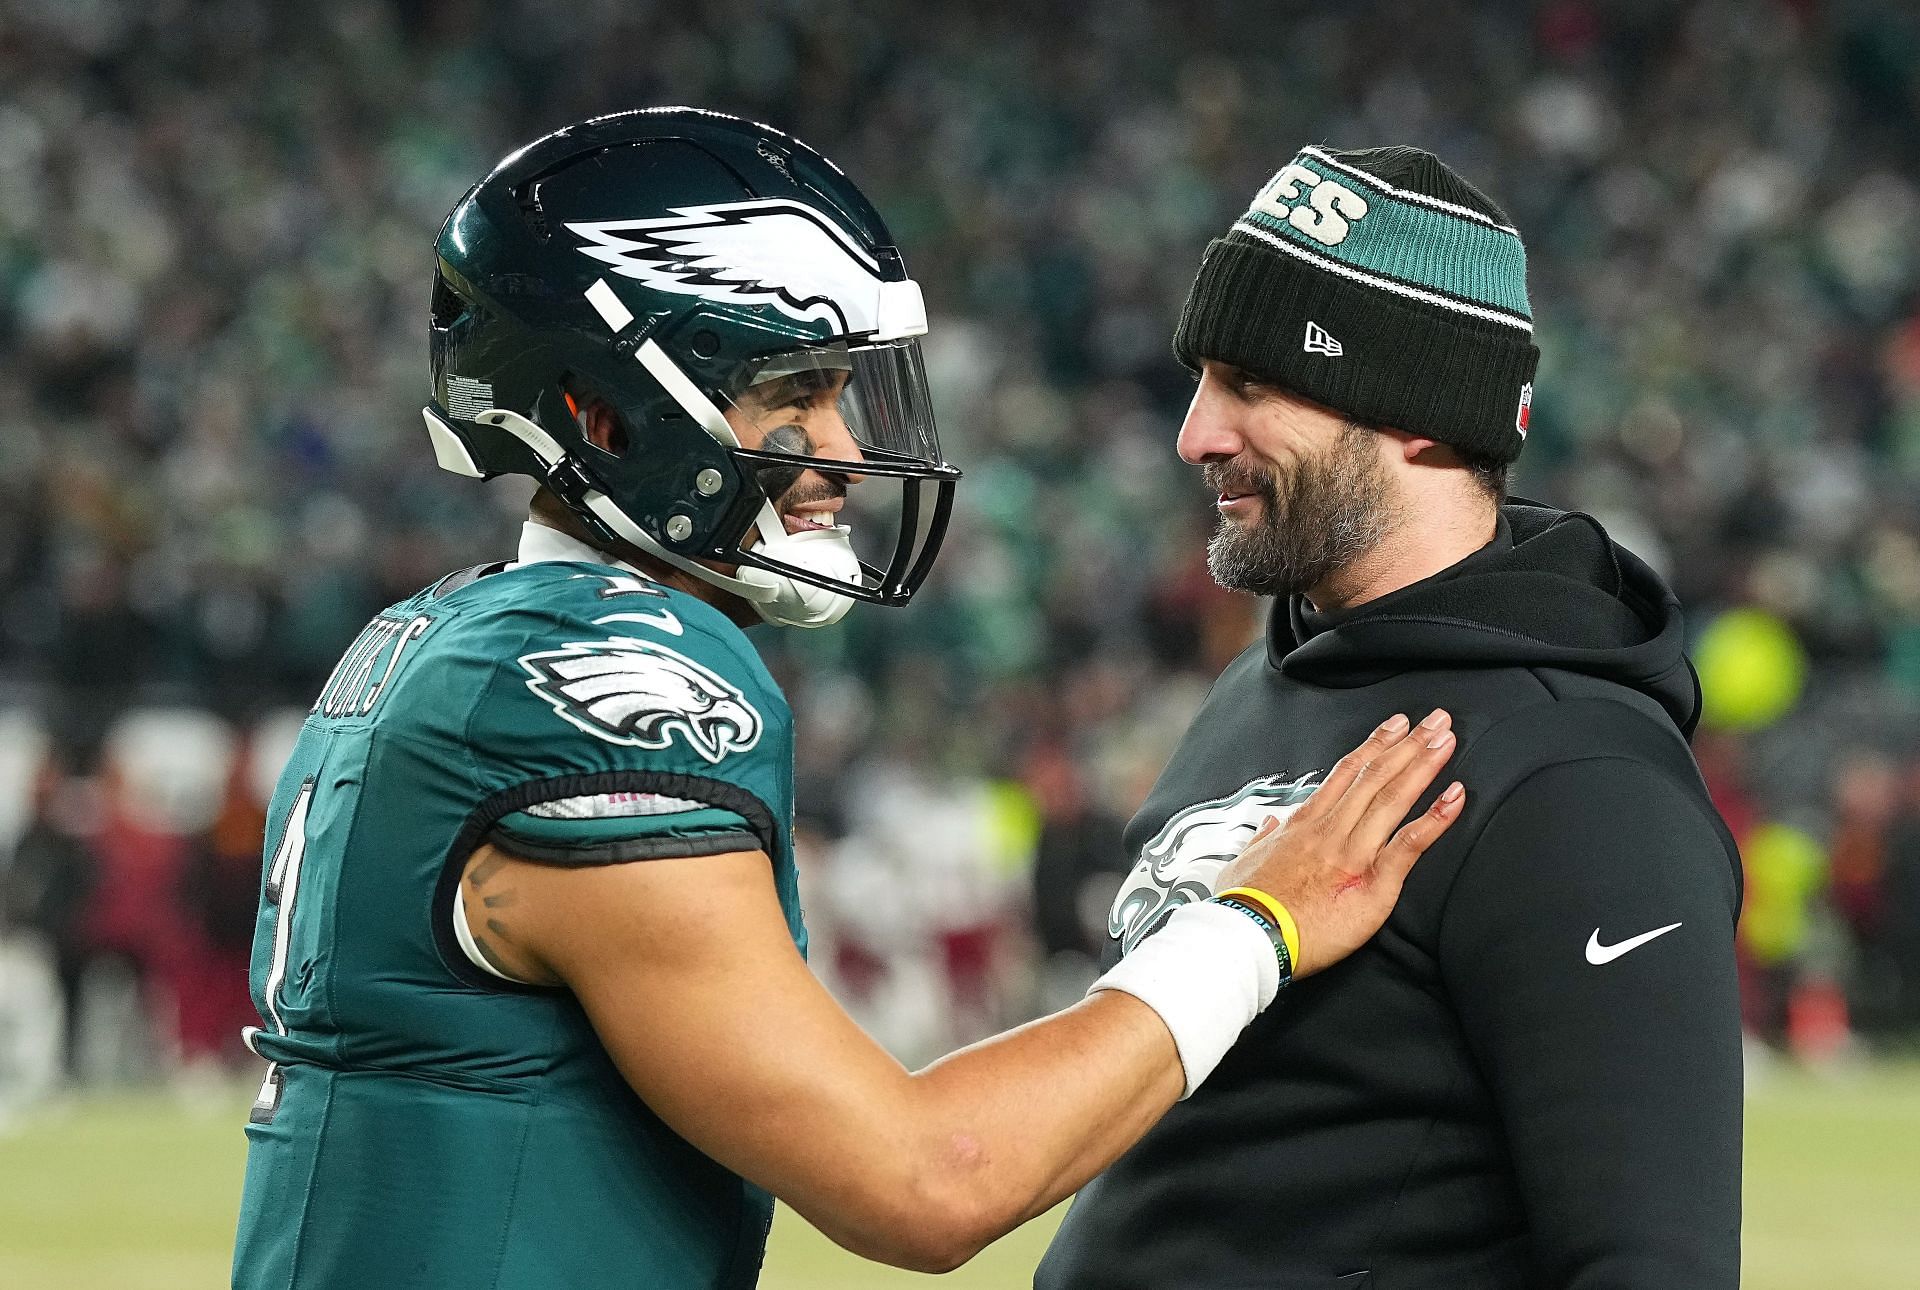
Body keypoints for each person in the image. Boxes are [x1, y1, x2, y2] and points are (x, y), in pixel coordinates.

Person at [228, 110, 1468, 1289]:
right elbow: (926, 1181)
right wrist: (1253, 922)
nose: (838, 448)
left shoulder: (436, 636)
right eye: (792, 396)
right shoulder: (603, 681)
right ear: (607, 414)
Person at [1036, 146, 1744, 1290]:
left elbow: (1650, 1263)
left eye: (1251, 384)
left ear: (1418, 411)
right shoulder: (1262, 683)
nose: (1195, 433)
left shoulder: (1579, 781)